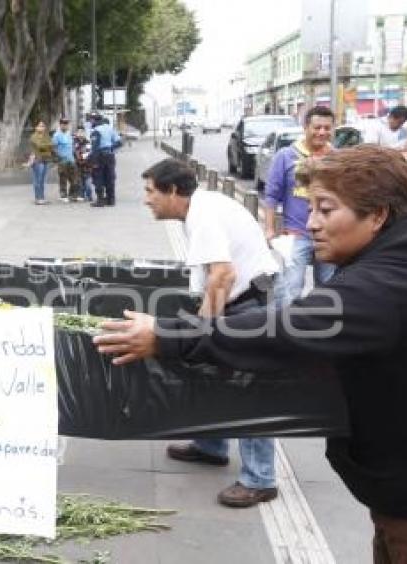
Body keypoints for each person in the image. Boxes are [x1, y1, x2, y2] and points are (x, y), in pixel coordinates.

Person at [95, 144, 407, 562]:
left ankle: (258, 476)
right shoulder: (405, 258)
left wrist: (170, 337)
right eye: (310, 208)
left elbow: (286, 328)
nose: (311, 224)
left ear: (378, 216)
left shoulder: (388, 283)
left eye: (326, 210)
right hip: (406, 494)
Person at [140, 159, 281, 507]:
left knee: (249, 389)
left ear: (173, 191)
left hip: (249, 305)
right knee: (213, 375)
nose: (146, 200)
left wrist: (202, 332)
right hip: (241, 300)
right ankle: (211, 446)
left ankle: (260, 479)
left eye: (150, 191)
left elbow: (223, 276)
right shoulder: (201, 208)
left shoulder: (203, 215)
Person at [264, 106, 336, 302]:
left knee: (329, 289)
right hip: (296, 235)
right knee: (290, 290)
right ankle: (284, 329)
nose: (322, 132)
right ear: (306, 127)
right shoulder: (285, 156)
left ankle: (323, 328)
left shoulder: (337, 158)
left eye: (327, 128)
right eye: (317, 127)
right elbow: (271, 196)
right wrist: (269, 229)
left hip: (330, 234)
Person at [89, 114, 121, 207]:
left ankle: (100, 200)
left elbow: (95, 147)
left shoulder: (96, 131)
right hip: (110, 156)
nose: (91, 122)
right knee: (110, 177)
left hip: (100, 156)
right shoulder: (110, 128)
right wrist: (111, 148)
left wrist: (94, 161)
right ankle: (111, 200)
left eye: (91, 120)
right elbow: (119, 142)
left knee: (98, 177)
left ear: (94, 121)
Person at [52, 118, 80, 202]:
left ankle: (73, 195)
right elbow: (53, 148)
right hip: (62, 161)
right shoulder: (56, 135)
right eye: (63, 124)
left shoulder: (69, 134)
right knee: (63, 178)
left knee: (74, 178)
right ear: (60, 125)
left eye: (66, 124)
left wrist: (76, 156)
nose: (65, 125)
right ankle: (63, 195)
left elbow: (72, 147)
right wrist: (58, 158)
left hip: (71, 159)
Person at [27, 120, 54, 205]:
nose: (41, 127)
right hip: (37, 161)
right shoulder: (34, 137)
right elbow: (40, 147)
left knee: (43, 180)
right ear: (36, 127)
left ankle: (42, 197)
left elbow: (51, 147)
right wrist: (46, 148)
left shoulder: (46, 136)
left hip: (45, 160)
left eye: (43, 126)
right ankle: (38, 198)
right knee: (37, 180)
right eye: (39, 126)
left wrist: (46, 148)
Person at [74, 126, 94, 202]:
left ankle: (89, 196)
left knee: (88, 183)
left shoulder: (88, 143)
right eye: (79, 132)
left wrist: (80, 158)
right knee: (80, 183)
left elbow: (88, 154)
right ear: (76, 133)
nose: (80, 134)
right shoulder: (74, 142)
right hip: (77, 167)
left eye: (82, 132)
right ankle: (81, 195)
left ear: (85, 133)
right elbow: (73, 153)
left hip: (87, 166)